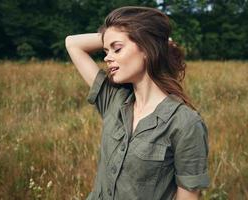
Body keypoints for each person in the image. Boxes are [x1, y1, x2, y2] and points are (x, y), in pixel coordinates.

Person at [65, 6, 209, 200]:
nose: (107, 57)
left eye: (117, 48)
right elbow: (72, 43)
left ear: (147, 49)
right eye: (106, 50)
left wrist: (152, 40)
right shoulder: (114, 100)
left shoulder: (185, 123)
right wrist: (110, 37)